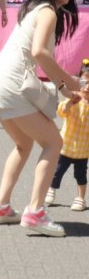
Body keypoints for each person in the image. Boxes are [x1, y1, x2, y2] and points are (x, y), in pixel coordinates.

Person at [0, 0, 80, 237]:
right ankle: (35, 212)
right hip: (11, 84)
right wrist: (71, 82)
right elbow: (39, 53)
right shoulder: (47, 10)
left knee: (23, 144)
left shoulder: (36, 8)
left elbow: (38, 56)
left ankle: (1, 207)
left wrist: (64, 88)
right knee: (53, 142)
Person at [44, 60, 89, 211]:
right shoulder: (74, 98)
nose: (87, 87)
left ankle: (80, 198)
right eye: (85, 82)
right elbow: (62, 112)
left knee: (81, 176)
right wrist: (70, 102)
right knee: (56, 172)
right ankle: (51, 190)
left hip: (83, 151)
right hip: (66, 147)